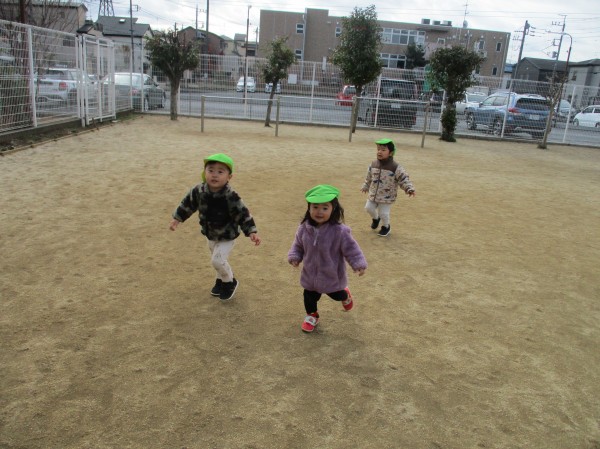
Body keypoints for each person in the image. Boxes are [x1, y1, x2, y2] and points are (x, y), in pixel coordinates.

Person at [169, 153, 261, 301]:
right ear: (204, 172)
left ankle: (230, 282)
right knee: (216, 258)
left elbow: (243, 213)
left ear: (229, 177)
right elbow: (187, 204)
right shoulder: (199, 191)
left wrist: (251, 231)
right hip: (210, 234)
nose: (214, 175)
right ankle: (220, 281)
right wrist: (177, 219)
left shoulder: (230, 195)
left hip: (227, 235)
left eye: (220, 171)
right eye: (211, 170)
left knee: (217, 260)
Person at [288, 184, 367, 333]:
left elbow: (351, 249)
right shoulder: (304, 228)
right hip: (310, 275)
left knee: (337, 295)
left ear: (333, 209)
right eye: (315, 207)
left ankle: (345, 295)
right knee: (308, 296)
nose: (319, 211)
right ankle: (312, 315)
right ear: (309, 208)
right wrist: (295, 256)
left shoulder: (340, 231)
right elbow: (298, 245)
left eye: (325, 208)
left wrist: (358, 264)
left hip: (332, 276)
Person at [361, 138, 416, 237]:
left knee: (384, 214)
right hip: (373, 194)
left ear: (391, 153)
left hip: (387, 196)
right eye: (378, 149)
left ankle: (386, 226)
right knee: (368, 208)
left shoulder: (395, 167)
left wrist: (409, 188)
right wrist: (366, 185)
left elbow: (403, 178)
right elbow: (369, 177)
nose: (379, 152)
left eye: (383, 150)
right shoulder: (373, 164)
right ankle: (375, 218)